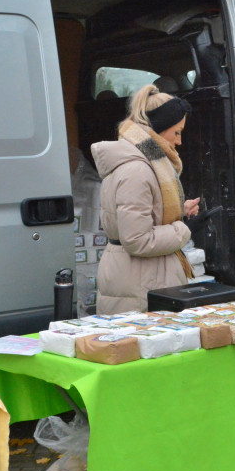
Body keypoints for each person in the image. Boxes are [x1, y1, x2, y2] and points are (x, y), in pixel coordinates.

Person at [92, 85, 200, 313]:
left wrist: (179, 211)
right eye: (177, 132)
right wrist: (183, 229)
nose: (180, 141)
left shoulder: (144, 163)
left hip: (141, 279)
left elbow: (140, 215)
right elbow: (137, 239)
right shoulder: (137, 170)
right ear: (159, 128)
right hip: (140, 284)